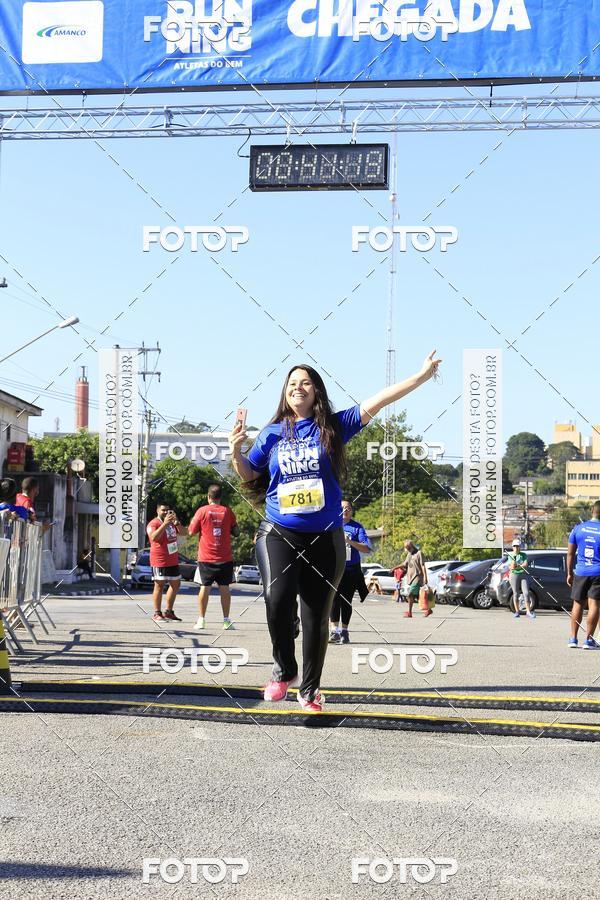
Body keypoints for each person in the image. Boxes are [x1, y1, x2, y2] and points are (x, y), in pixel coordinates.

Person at [229, 351, 441, 712]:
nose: (298, 388)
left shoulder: (335, 426)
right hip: (279, 532)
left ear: (316, 392)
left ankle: (309, 690)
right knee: (276, 598)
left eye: (305, 383)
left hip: (325, 536)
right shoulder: (272, 433)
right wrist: (235, 453)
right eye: (292, 383)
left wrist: (420, 377)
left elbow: (381, 398)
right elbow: (249, 473)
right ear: (286, 392)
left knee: (315, 615)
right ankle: (284, 670)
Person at [188, 484, 238, 630]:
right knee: (225, 588)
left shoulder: (201, 511)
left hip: (206, 557)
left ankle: (201, 620)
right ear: (220, 497)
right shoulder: (228, 511)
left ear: (208, 496)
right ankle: (226, 621)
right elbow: (236, 531)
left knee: (205, 587)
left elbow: (191, 531)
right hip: (225, 558)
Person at [329, 499, 371, 644]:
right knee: (333, 599)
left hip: (350, 569)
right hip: (334, 568)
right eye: (342, 508)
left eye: (348, 508)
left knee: (346, 600)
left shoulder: (357, 528)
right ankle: (334, 631)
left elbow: (367, 548)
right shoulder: (331, 525)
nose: (345, 510)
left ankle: (345, 631)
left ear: (352, 511)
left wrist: (349, 542)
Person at [567, 502, 600, 649]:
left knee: (578, 604)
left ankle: (573, 639)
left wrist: (569, 573)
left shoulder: (578, 528)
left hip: (580, 571)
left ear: (592, 510)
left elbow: (569, 553)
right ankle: (589, 640)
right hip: (598, 572)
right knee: (594, 605)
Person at [146, 503, 184, 623]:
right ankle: (157, 613)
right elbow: (154, 538)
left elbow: (184, 533)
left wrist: (177, 522)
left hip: (172, 559)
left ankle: (169, 612)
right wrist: (164, 524)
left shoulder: (172, 523)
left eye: (168, 510)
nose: (166, 512)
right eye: (163, 510)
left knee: (176, 584)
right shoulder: (154, 523)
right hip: (160, 560)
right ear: (157, 510)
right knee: (159, 585)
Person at [507, 538, 534, 619]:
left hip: (523, 575)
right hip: (514, 575)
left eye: (518, 546)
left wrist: (517, 566)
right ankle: (517, 611)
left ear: (520, 547)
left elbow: (525, 564)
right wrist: (514, 558)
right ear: (512, 547)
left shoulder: (523, 554)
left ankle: (528, 612)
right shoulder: (510, 555)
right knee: (516, 593)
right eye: (515, 546)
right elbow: (512, 567)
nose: (516, 548)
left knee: (526, 593)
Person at [402, 540, 429, 617]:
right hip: (412, 578)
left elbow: (423, 566)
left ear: (411, 546)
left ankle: (410, 613)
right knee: (417, 596)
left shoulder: (419, 553)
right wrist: (394, 568)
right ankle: (428, 610)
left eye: (407, 548)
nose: (407, 549)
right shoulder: (409, 554)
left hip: (418, 577)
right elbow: (405, 564)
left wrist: (425, 577)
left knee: (410, 594)